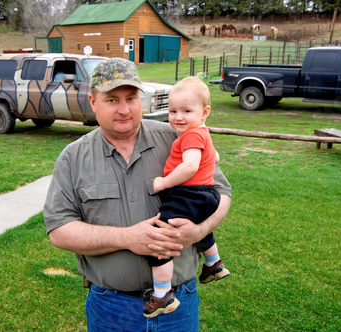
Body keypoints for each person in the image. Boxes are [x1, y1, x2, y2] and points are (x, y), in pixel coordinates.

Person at [44, 58, 232, 331]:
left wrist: (197, 231)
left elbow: (222, 193)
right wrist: (127, 238)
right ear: (93, 102)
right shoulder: (73, 158)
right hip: (111, 307)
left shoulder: (177, 139)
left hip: (179, 304)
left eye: (131, 98)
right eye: (112, 100)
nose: (124, 110)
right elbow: (59, 231)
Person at [143, 76, 230, 318]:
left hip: (190, 193)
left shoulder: (191, 136)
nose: (178, 117)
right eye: (172, 111)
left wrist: (163, 183)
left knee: (161, 238)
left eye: (186, 110)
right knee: (191, 224)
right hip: (205, 196)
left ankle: (162, 295)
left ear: (205, 113)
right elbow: (215, 158)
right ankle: (214, 263)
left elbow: (190, 167)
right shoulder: (201, 133)